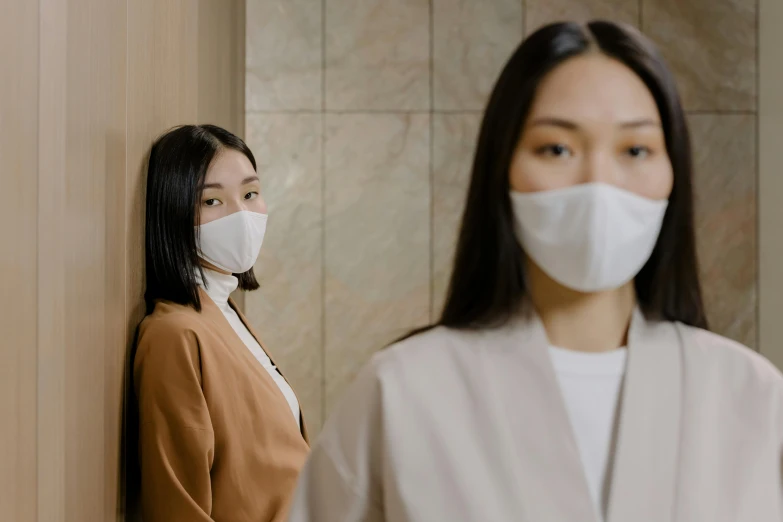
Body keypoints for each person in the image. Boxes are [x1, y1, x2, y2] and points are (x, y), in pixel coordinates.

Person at [286, 20, 783, 522]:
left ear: (673, 173)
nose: (598, 184)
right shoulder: (401, 395)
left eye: (635, 150)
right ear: (503, 168)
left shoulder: (752, 399)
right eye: (556, 149)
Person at [134, 124, 309, 522]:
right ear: (174, 213)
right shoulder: (175, 334)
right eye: (212, 201)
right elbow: (178, 506)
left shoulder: (227, 312)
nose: (241, 215)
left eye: (250, 194)